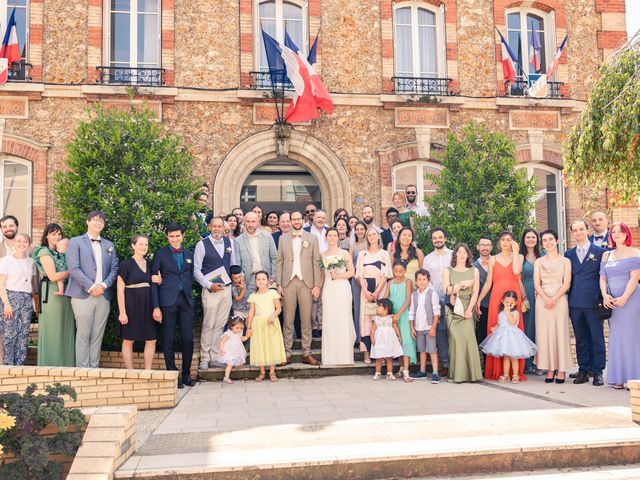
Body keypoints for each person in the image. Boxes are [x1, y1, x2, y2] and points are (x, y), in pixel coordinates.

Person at [66, 210, 119, 368]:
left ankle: (94, 369)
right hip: (82, 294)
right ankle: (83, 371)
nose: (98, 223)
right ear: (87, 222)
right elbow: (74, 268)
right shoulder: (76, 242)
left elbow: (114, 268)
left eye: (101, 221)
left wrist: (103, 285)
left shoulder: (109, 245)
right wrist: (91, 286)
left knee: (97, 335)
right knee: (83, 334)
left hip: (103, 295)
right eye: (95, 220)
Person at [151, 222, 196, 388]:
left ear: (182, 236)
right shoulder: (160, 254)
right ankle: (172, 374)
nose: (175, 239)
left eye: (178, 236)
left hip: (186, 301)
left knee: (188, 339)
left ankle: (186, 374)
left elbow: (189, 276)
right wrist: (156, 306)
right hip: (167, 301)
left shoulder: (189, 253)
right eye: (171, 236)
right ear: (167, 237)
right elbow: (154, 282)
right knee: (168, 339)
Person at [477, 231, 525, 381]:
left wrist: (516, 252)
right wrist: (479, 300)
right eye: (503, 240)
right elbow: (488, 282)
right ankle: (499, 371)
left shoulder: (519, 257)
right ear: (499, 243)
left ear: (513, 242)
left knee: (513, 330)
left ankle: (515, 372)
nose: (506, 242)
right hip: (497, 297)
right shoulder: (493, 259)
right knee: (497, 332)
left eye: (509, 240)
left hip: (513, 296)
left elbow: (517, 272)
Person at [275, 210, 321, 365]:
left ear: (302, 220)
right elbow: (279, 262)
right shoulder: (282, 239)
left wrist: (317, 285)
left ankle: (306, 352)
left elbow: (316, 262)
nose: (295, 221)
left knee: (306, 319)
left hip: (306, 283)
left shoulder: (312, 238)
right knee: (287, 320)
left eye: (297, 219)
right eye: (292, 219)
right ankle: (286, 353)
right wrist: (279, 284)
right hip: (288, 283)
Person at [565, 219, 606, 386]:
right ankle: (583, 370)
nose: (579, 232)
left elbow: (604, 277)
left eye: (582, 229)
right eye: (575, 230)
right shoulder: (568, 254)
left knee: (596, 338)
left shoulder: (600, 252)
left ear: (587, 231)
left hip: (593, 302)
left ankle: (598, 372)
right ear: (572, 233)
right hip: (575, 303)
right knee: (580, 338)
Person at [600, 222, 640, 389]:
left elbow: (634, 278)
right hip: (612, 302)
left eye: (620, 232)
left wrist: (624, 297)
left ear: (626, 234)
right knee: (616, 337)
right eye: (614, 232)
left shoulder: (635, 253)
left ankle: (634, 378)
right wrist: (604, 296)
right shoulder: (606, 255)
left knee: (632, 337)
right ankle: (618, 377)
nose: (616, 234)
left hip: (631, 300)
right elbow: (602, 278)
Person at [195, 215, 238, 370]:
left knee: (220, 324)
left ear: (224, 228)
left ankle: (215, 356)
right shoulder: (202, 244)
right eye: (215, 226)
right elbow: (196, 270)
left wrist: (237, 277)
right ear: (210, 227)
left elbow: (233, 263)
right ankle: (205, 357)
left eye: (220, 226)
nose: (217, 229)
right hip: (211, 290)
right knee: (208, 324)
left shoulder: (230, 242)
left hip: (226, 289)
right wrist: (209, 284)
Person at [533, 230, 574, 384]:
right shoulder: (539, 262)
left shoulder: (565, 261)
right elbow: (537, 283)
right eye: (544, 240)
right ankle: (550, 368)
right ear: (542, 244)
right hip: (542, 301)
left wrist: (554, 299)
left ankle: (562, 369)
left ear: (556, 241)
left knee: (560, 333)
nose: (548, 242)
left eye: (551, 239)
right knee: (545, 334)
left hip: (560, 300)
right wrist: (545, 299)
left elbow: (567, 283)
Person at [33, 224, 74, 367]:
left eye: (59, 234)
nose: (57, 237)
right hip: (52, 293)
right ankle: (50, 365)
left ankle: (67, 366)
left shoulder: (63, 251)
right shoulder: (43, 251)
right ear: (46, 236)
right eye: (53, 234)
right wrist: (74, 271)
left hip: (67, 293)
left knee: (65, 328)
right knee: (54, 329)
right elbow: (53, 275)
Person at [117, 234, 159, 370]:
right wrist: (122, 312)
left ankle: (148, 371)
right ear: (133, 246)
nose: (144, 247)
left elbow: (157, 280)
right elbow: (119, 290)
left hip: (148, 305)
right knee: (128, 339)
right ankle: (130, 372)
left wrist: (160, 280)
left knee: (151, 339)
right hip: (131, 304)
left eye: (146, 244)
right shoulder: (125, 264)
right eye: (140, 244)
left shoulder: (150, 264)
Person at [444, 243, 483, 383]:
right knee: (456, 341)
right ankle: (457, 375)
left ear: (468, 255)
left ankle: (471, 375)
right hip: (453, 309)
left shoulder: (474, 271)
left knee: (468, 339)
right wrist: (460, 285)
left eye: (464, 252)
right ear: (455, 254)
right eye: (459, 252)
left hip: (468, 307)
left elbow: (475, 292)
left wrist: (469, 310)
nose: (461, 254)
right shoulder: (448, 270)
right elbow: (447, 290)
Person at [479, 290, 536, 384]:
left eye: (511, 303)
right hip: (503, 337)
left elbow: (512, 322)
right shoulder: (501, 313)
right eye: (507, 302)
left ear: (515, 303)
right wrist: (495, 327)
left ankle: (515, 375)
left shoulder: (515, 313)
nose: (509, 304)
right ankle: (506, 375)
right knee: (506, 357)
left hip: (512, 337)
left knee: (514, 357)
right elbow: (499, 323)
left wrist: (508, 312)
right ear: (502, 301)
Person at [356, 228, 392, 364]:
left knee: (379, 320)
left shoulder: (384, 254)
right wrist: (365, 290)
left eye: (374, 234)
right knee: (366, 321)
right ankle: (367, 353)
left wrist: (377, 292)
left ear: (378, 236)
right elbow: (359, 274)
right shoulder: (362, 254)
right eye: (369, 234)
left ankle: (380, 354)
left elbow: (386, 274)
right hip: (366, 292)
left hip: (379, 291)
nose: (371, 236)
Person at [321, 228, 356, 366]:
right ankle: (330, 357)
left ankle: (344, 356)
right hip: (328, 288)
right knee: (330, 320)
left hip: (342, 288)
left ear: (338, 237)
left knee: (343, 318)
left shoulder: (344, 253)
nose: (332, 237)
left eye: (334, 235)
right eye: (330, 235)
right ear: (326, 237)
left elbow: (352, 272)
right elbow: (322, 275)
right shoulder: (322, 254)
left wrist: (338, 276)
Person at [0, 233, 36, 365]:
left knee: (23, 333)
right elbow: (1, 284)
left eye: (25, 241)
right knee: (9, 333)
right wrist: (6, 303)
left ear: (29, 244)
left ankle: (20, 364)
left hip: (26, 299)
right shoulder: (6, 261)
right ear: (14, 243)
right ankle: (8, 365)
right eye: (19, 241)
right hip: (10, 297)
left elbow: (30, 284)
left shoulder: (31, 262)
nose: (22, 244)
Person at [422, 228, 453, 376]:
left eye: (440, 237)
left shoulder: (453, 255)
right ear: (432, 240)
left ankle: (456, 363)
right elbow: (426, 280)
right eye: (435, 238)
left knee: (453, 332)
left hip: (453, 297)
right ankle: (445, 364)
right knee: (440, 333)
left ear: (445, 238)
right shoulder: (428, 259)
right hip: (436, 299)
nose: (438, 240)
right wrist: (434, 296)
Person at [248, 271, 286, 381]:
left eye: (263, 279)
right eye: (258, 279)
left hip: (271, 323)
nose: (261, 281)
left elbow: (278, 308)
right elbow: (251, 312)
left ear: (268, 281)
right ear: (255, 282)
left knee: (272, 346)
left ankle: (272, 372)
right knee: (260, 346)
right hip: (258, 324)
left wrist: (273, 316)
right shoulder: (253, 296)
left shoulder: (273, 294)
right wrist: (249, 327)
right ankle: (262, 372)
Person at [234, 212, 277, 296]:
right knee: (250, 306)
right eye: (248, 221)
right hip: (248, 280)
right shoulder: (238, 241)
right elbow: (238, 263)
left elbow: (274, 257)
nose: (250, 224)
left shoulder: (267, 236)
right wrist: (241, 280)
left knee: (265, 307)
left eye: (253, 221)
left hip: (266, 278)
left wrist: (273, 276)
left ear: (258, 222)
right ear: (244, 222)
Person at [409, 269, 441, 382]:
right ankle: (422, 371)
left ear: (428, 280)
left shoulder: (432, 294)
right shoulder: (414, 295)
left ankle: (435, 372)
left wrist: (433, 327)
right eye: (419, 279)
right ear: (416, 281)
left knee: (432, 350)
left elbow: (437, 313)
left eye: (424, 279)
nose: (422, 282)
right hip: (418, 327)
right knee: (422, 350)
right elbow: (412, 311)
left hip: (429, 327)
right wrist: (412, 327)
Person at [387, 260, 414, 382]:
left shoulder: (408, 282)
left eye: (401, 271)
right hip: (393, 315)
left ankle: (407, 371)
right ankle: (401, 366)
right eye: (395, 271)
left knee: (406, 340)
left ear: (405, 271)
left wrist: (398, 314)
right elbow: (387, 298)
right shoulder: (390, 282)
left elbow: (408, 300)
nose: (398, 274)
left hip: (403, 314)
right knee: (397, 340)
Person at [519, 228, 541, 374]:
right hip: (526, 291)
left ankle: (540, 362)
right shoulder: (520, 257)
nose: (531, 239)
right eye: (528, 237)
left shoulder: (543, 255)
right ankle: (527, 363)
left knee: (540, 327)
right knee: (527, 327)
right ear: (524, 240)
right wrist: (523, 296)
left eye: (533, 237)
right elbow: (518, 278)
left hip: (541, 293)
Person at [304, 208, 328, 337]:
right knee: (313, 298)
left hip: (326, 269)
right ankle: (313, 327)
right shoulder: (306, 231)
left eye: (323, 217)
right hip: (310, 269)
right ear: (313, 218)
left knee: (323, 298)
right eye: (318, 217)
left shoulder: (329, 232)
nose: (320, 220)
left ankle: (322, 325)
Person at [370, 298, 403, 381]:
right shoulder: (376, 319)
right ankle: (377, 373)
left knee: (389, 357)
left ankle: (389, 373)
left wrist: (399, 336)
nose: (377, 308)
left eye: (378, 307)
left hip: (389, 340)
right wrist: (372, 338)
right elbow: (373, 329)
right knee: (379, 357)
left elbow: (396, 327)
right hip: (379, 340)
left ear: (386, 308)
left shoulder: (391, 318)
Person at [216, 316, 250, 384]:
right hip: (229, 351)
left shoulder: (239, 332)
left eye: (241, 328)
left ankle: (237, 364)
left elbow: (242, 339)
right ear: (231, 326)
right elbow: (222, 342)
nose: (239, 330)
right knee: (230, 364)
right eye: (237, 328)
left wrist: (247, 336)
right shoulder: (229, 333)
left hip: (236, 350)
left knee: (238, 360)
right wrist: (222, 350)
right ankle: (226, 377)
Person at [350, 221, 367, 348]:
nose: (360, 231)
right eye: (358, 229)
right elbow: (350, 264)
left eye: (362, 229)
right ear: (355, 231)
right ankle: (358, 337)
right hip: (356, 281)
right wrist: (356, 277)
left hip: (369, 279)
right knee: (357, 308)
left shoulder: (370, 243)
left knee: (368, 308)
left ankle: (368, 335)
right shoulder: (353, 246)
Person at [474, 236, 492, 349]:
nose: (485, 247)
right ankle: (487, 364)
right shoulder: (472, 266)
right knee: (484, 335)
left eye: (487, 245)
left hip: (499, 303)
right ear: (478, 247)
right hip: (482, 306)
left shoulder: (497, 261)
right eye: (482, 245)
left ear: (491, 247)